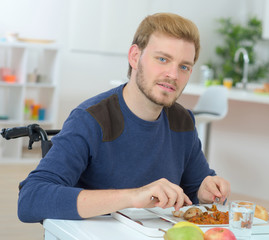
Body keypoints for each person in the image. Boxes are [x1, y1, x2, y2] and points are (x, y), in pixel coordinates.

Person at [17, 13, 230, 223]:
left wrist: (206, 192)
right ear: (135, 57)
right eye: (163, 59)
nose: (173, 75)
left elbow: (195, 190)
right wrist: (132, 197)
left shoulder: (182, 121)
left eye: (184, 66)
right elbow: (31, 199)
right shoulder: (90, 119)